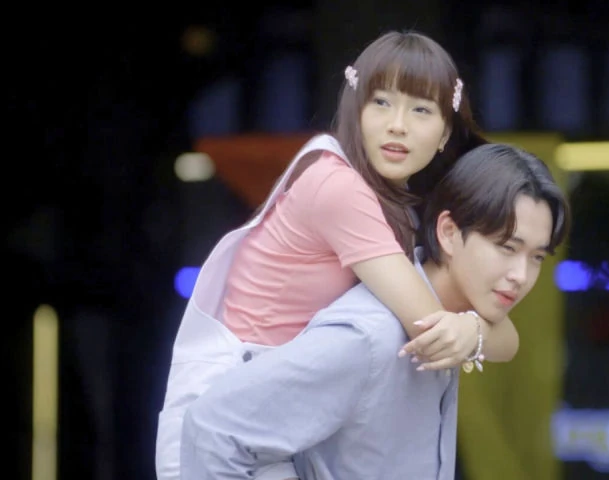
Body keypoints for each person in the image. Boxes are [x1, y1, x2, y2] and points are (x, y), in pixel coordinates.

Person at [155, 31, 521, 480]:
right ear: (355, 110)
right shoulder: (339, 188)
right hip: (229, 438)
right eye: (381, 102)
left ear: (444, 132)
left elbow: (500, 338)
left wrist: (472, 330)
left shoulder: (396, 205)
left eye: (421, 110)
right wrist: (472, 330)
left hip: (279, 426)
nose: (397, 124)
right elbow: (430, 329)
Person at [180, 142, 571, 479]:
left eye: (536, 257)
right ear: (449, 233)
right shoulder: (370, 338)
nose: (521, 275)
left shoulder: (452, 325)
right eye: (507, 247)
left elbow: (507, 342)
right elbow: (213, 429)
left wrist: (474, 332)